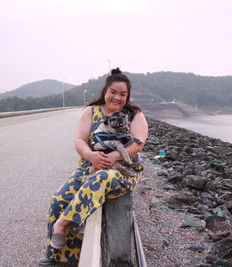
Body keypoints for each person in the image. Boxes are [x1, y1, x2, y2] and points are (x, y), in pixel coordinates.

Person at [40, 68, 148, 265]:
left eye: (122, 94)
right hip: (89, 166)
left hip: (122, 171)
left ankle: (64, 228)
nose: (117, 97)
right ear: (105, 91)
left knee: (99, 179)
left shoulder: (134, 114)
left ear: (128, 96)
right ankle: (56, 256)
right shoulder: (90, 111)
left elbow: (138, 142)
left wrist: (114, 156)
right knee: (59, 199)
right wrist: (91, 155)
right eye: (113, 92)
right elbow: (80, 140)